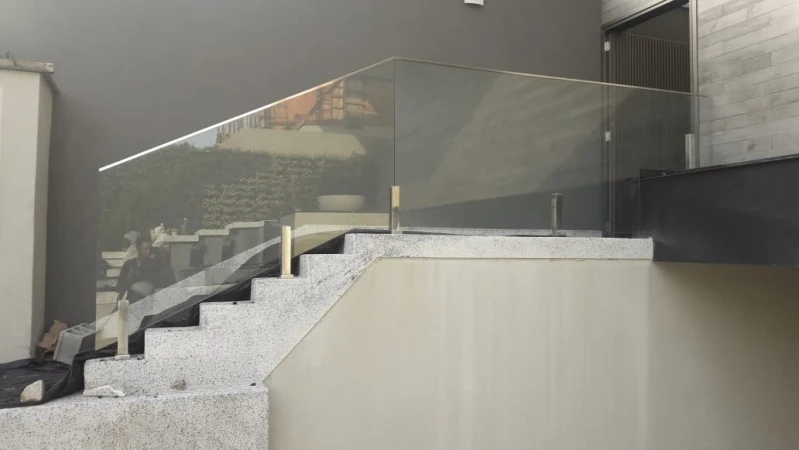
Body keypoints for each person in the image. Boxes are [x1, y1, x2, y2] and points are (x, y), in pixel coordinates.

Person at [116, 235, 173, 302]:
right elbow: (119, 288)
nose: (148, 251)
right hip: (132, 302)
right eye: (145, 248)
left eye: (150, 249)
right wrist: (129, 282)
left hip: (149, 301)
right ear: (138, 248)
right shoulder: (129, 265)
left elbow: (159, 288)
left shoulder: (155, 265)